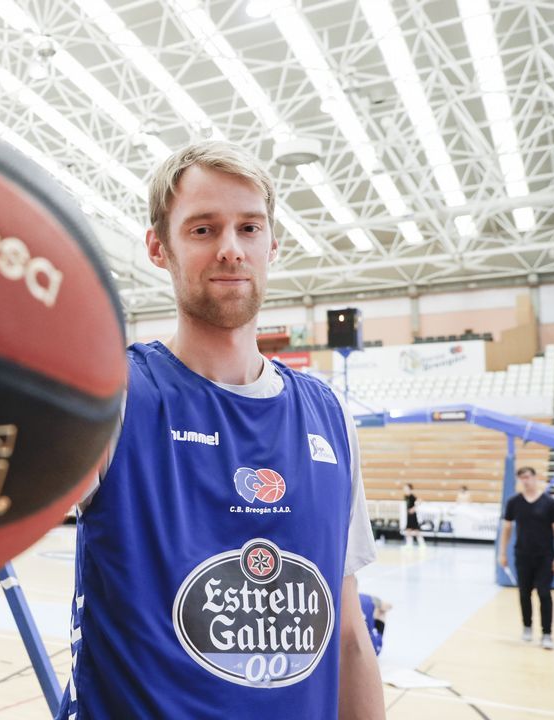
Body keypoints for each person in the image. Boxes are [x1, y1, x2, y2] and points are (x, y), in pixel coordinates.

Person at [56, 142, 383, 719]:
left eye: (249, 228)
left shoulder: (330, 414)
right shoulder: (112, 393)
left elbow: (350, 639)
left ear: (272, 245)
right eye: (203, 229)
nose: (231, 248)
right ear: (159, 248)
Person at [498, 466, 554, 650]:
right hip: (522, 555)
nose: (525, 481)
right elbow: (507, 528)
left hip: (545, 556)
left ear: (535, 477)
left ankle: (547, 633)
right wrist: (502, 553)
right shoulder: (514, 502)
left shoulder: (549, 503)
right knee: (524, 593)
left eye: (528, 477)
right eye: (522, 478)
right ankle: (527, 626)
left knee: (544, 593)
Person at [402, 482, 424, 547]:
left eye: (406, 488)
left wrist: (413, 509)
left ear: (409, 489)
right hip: (408, 516)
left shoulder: (412, 496)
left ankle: (422, 544)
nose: (405, 489)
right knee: (408, 530)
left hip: (413, 515)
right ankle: (409, 544)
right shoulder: (406, 496)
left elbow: (419, 501)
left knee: (416, 530)